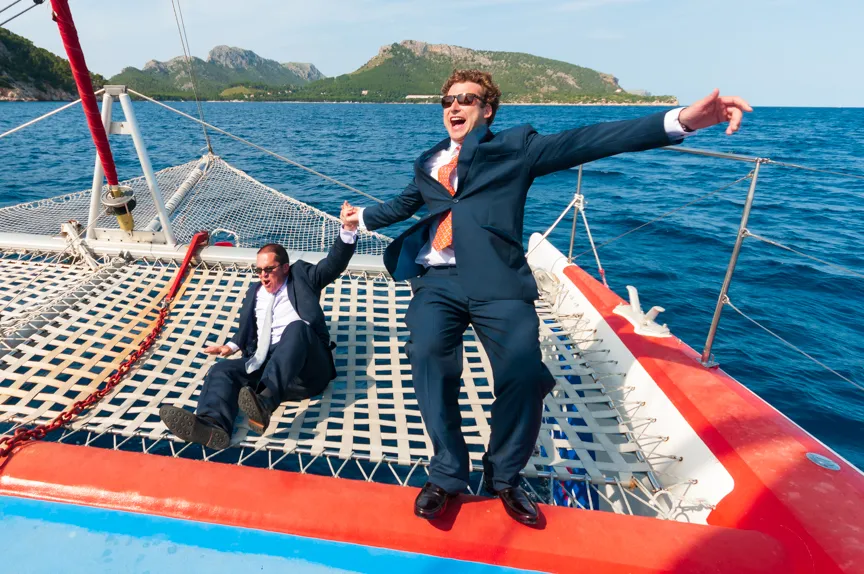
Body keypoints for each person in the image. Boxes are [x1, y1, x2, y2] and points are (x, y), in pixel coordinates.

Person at [341, 69, 751, 525]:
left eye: (466, 100)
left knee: (525, 374)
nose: (454, 107)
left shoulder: (516, 146)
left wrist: (681, 121)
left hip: (499, 281)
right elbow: (404, 204)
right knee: (428, 353)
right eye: (447, 101)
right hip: (439, 279)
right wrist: (358, 219)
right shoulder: (428, 161)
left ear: (487, 110)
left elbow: (591, 139)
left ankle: (504, 476)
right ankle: (447, 474)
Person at [160, 211, 359, 449]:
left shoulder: (303, 277)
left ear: (285, 267)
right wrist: (231, 346)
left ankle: (264, 402)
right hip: (266, 364)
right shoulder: (255, 292)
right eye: (259, 271)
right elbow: (249, 327)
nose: (263, 275)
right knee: (221, 371)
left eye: (269, 269)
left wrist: (347, 229)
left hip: (306, 371)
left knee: (297, 328)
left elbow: (333, 264)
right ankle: (213, 425)